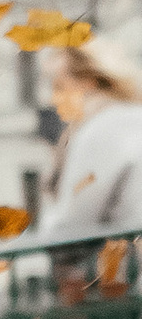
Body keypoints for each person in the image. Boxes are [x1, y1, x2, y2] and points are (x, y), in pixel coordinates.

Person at [37, 38, 142, 240]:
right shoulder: (133, 116)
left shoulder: (101, 129)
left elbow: (73, 224)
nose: (51, 99)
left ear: (88, 81)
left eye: (59, 86)